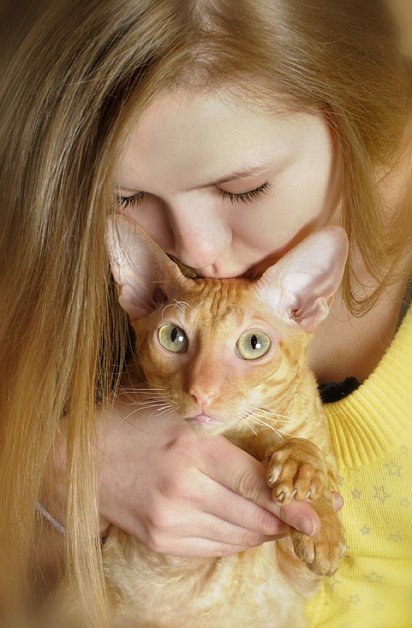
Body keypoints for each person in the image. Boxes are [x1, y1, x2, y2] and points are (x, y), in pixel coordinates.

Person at [0, 1, 410, 627]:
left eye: (242, 188)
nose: (195, 250)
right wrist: (61, 479)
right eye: (127, 198)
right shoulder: (70, 262)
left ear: (347, 108)